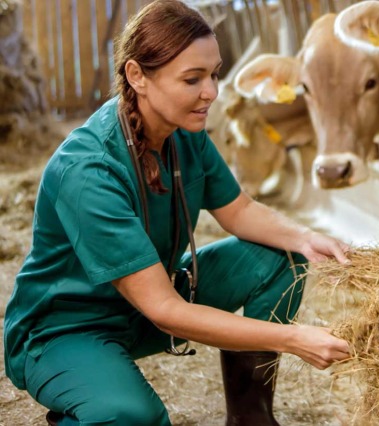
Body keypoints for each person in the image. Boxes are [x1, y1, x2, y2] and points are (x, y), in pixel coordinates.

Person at [2, 1, 352, 425]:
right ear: (137, 76)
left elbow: (238, 210)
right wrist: (294, 338)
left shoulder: (183, 131)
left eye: (214, 74)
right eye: (192, 79)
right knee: (133, 416)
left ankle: (251, 419)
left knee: (280, 259)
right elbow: (165, 310)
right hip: (66, 329)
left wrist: (304, 237)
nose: (212, 92)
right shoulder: (88, 170)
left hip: (145, 301)